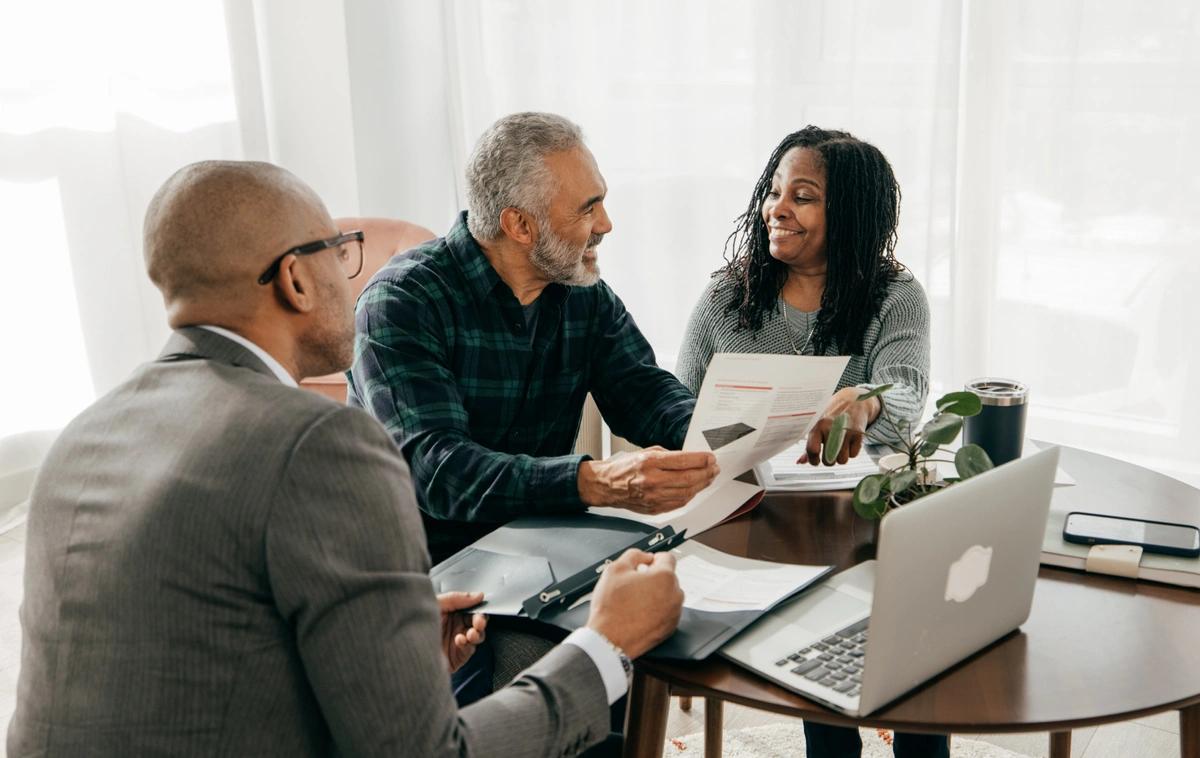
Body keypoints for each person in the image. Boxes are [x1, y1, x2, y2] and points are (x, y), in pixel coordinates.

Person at [7, 160, 684, 758]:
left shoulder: (82, 437)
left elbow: (204, 653)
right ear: (297, 279)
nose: (353, 271)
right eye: (341, 249)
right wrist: (604, 645)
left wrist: (388, 645)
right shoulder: (318, 443)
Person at [348, 113, 718, 703]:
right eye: (587, 208)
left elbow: (646, 393)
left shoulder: (582, 292)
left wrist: (732, 432)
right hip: (428, 572)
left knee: (661, 638)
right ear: (519, 225)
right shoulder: (402, 302)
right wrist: (593, 482)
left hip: (542, 551)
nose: (606, 224)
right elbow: (441, 472)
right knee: (566, 683)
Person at [675, 127, 942, 758]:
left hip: (857, 519)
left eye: (804, 196)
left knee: (913, 648)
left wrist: (867, 395)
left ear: (847, 211)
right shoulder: (725, 296)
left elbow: (906, 391)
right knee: (818, 662)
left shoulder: (895, 298)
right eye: (774, 192)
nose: (778, 209)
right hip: (749, 519)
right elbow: (675, 401)